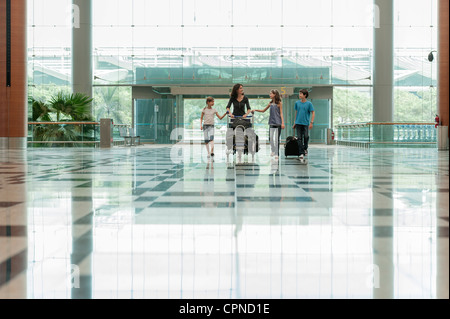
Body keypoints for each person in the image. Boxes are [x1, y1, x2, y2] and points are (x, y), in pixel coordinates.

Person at [252, 89, 285, 160]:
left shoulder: (279, 103)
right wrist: (255, 110)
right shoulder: (270, 104)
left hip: (278, 123)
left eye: (271, 94)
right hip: (271, 123)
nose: (270, 95)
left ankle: (277, 154)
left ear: (275, 95)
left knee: (277, 139)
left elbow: (281, 113)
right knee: (270, 138)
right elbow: (263, 110)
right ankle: (273, 150)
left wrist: (282, 123)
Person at [293, 89, 315, 161]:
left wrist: (311, 122)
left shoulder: (309, 104)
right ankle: (301, 153)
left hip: (306, 123)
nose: (299, 95)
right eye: (299, 93)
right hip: (298, 123)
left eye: (301, 94)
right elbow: (296, 113)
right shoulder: (297, 103)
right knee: (299, 138)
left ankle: (305, 148)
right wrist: (294, 122)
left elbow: (313, 113)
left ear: (305, 95)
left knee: (306, 136)